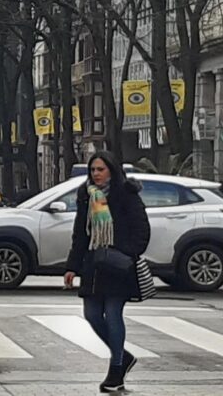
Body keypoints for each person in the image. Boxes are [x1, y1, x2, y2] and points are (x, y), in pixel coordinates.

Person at [64, 151, 150, 393]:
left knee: (113, 314)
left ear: (111, 170)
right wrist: (72, 266)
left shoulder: (126, 193)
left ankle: (116, 371)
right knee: (92, 314)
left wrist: (125, 253)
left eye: (100, 169)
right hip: (93, 262)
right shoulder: (87, 194)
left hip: (118, 265)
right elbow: (80, 232)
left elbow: (141, 228)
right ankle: (124, 356)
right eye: (93, 170)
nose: (96, 174)